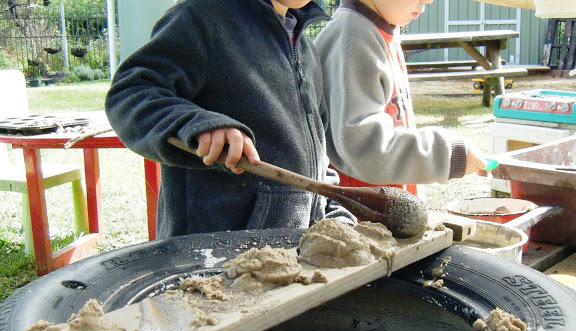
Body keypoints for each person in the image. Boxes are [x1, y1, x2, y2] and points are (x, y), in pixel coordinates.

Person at [105, 0, 355, 239]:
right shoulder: (201, 17)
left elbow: (318, 158)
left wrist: (334, 215)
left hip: (289, 254)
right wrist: (196, 124)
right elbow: (131, 92)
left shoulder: (306, 50)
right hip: (210, 256)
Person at [314, 0, 487, 193]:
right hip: (361, 215)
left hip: (384, 209)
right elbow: (365, 148)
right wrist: (447, 155)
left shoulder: (377, 29)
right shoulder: (352, 38)